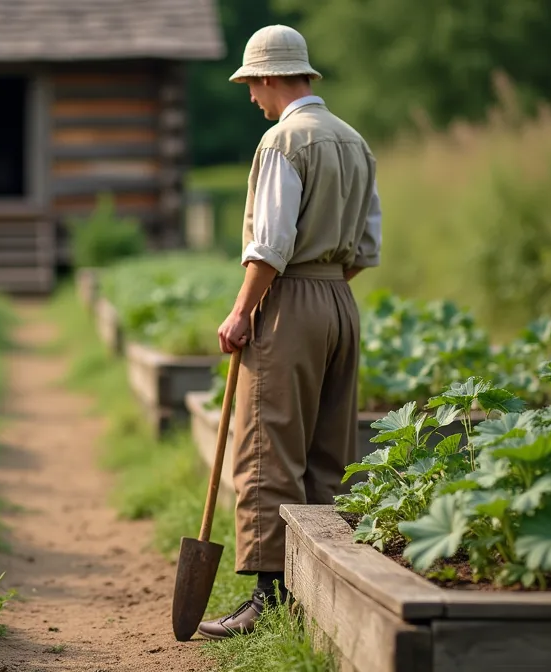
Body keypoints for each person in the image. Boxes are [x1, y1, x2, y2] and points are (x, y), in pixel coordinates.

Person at [198, 24, 382, 640]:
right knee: (331, 451)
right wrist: (327, 283)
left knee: (267, 446)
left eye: (253, 84)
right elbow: (367, 246)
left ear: (272, 78)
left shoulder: (284, 140)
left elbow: (270, 243)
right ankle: (322, 591)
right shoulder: (354, 142)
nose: (252, 96)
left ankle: (269, 597)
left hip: (290, 299)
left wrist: (244, 309)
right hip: (340, 299)